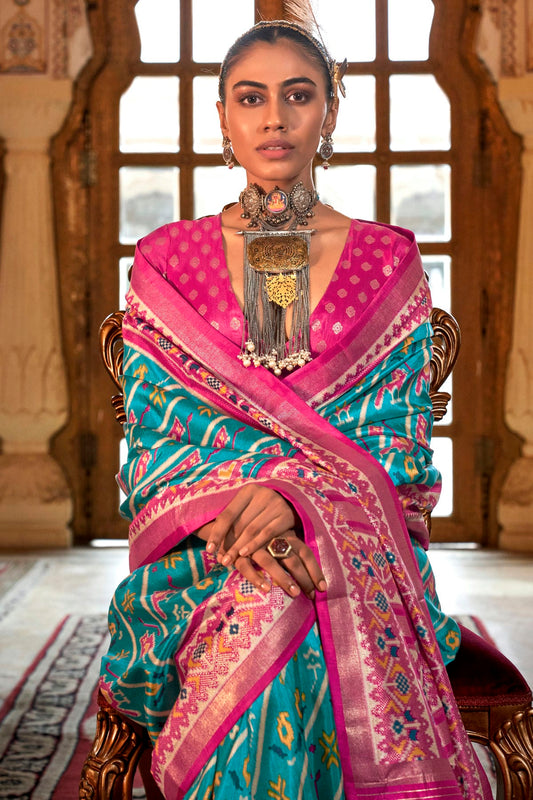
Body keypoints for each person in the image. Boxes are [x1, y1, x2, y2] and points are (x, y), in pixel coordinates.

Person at [99, 15, 492, 800]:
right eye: (251, 98)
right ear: (222, 117)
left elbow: (400, 446)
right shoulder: (167, 261)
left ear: (330, 111)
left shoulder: (386, 260)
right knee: (268, 597)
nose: (274, 118)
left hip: (358, 544)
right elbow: (156, 441)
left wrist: (299, 505)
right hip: (206, 550)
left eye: (298, 95)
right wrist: (250, 527)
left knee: (292, 602)